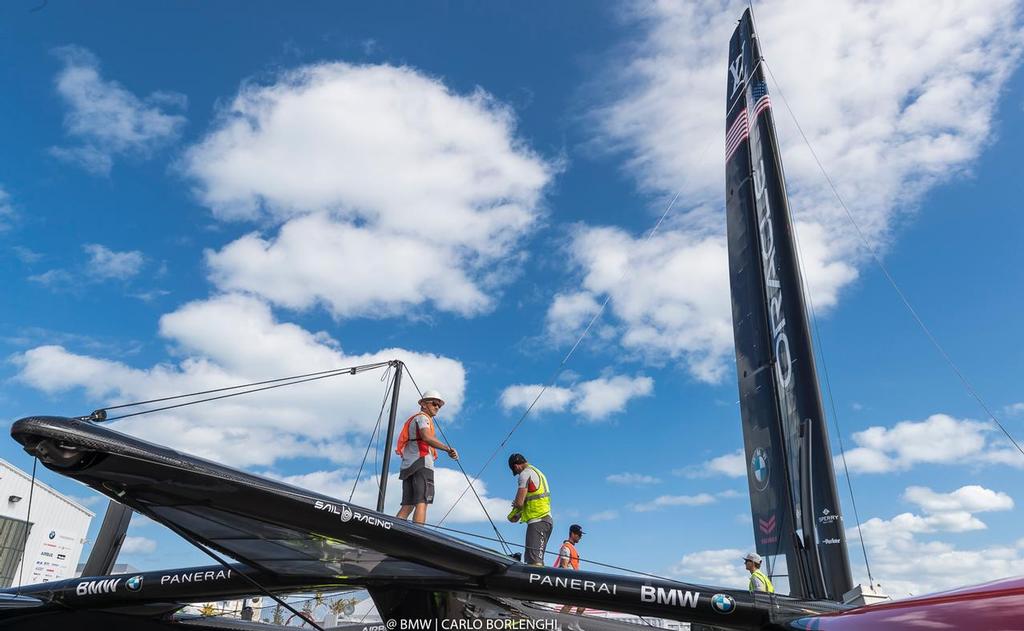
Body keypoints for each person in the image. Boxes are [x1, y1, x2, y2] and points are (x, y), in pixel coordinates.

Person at [395, 389, 458, 524]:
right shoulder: (423, 418)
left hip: (408, 465)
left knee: (407, 505)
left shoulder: (414, 419)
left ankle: (390, 538)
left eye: (439, 405)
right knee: (422, 501)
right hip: (421, 463)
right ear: (423, 404)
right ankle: (417, 538)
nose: (437, 407)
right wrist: (447, 449)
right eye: (434, 403)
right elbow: (426, 437)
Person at [507, 453, 553, 566]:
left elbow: (519, 502)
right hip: (546, 520)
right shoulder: (538, 472)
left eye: (515, 471)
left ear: (516, 466)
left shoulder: (525, 474)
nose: (517, 474)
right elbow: (532, 497)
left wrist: (513, 514)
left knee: (534, 562)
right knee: (537, 560)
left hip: (538, 521)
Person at [556, 524, 586, 615]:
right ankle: (557, 625)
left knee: (583, 604)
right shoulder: (566, 547)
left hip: (575, 579)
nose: (580, 537)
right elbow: (564, 566)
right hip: (569, 580)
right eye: (579, 535)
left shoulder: (572, 548)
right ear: (573, 534)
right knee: (569, 604)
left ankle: (573, 624)